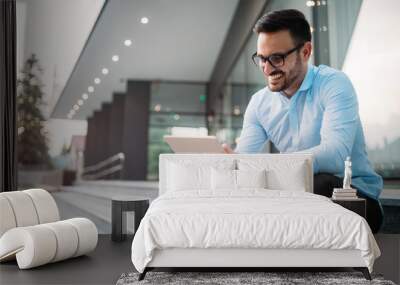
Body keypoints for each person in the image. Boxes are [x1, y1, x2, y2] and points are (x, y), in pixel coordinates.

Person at [222, 9, 383, 233]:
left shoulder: (334, 84)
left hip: (354, 196)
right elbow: (245, 159)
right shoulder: (259, 103)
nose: (267, 68)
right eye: (261, 58)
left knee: (321, 182)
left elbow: (336, 155)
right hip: (297, 192)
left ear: (305, 51)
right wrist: (232, 163)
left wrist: (276, 166)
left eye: (276, 58)